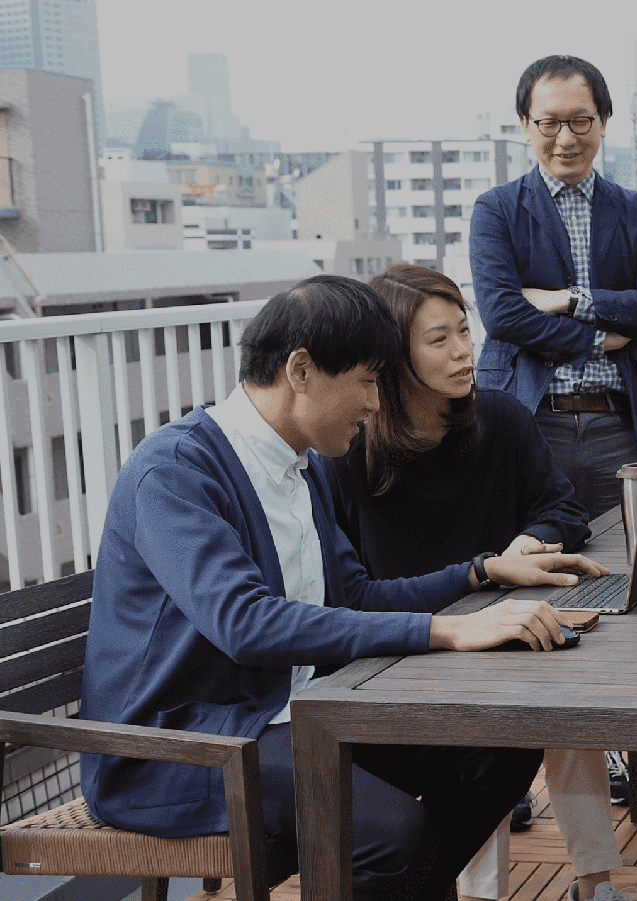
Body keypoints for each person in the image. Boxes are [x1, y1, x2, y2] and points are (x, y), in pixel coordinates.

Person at [79, 275, 606, 901]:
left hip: (295, 717)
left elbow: (352, 596)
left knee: (498, 752)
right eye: (366, 381)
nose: (376, 404)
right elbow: (245, 623)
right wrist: (448, 630)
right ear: (301, 371)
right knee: (394, 836)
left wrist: (480, 572)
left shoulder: (302, 468)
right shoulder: (176, 471)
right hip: (183, 748)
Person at [318, 264, 635, 901]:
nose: (464, 351)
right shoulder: (348, 451)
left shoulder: (501, 418)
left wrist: (525, 543)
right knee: (485, 723)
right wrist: (483, 573)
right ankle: (481, 894)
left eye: (465, 331)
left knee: (566, 687)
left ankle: (596, 884)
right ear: (392, 356)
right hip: (406, 650)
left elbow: (563, 508)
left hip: (502, 625)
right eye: (439, 339)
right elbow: (352, 597)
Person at [469, 54, 637, 520]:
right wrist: (596, 340)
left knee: (634, 552)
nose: (565, 138)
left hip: (622, 424)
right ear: (525, 125)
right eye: (549, 123)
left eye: (581, 121)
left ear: (603, 122)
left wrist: (571, 300)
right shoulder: (496, 210)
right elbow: (502, 314)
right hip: (529, 419)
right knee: (527, 552)